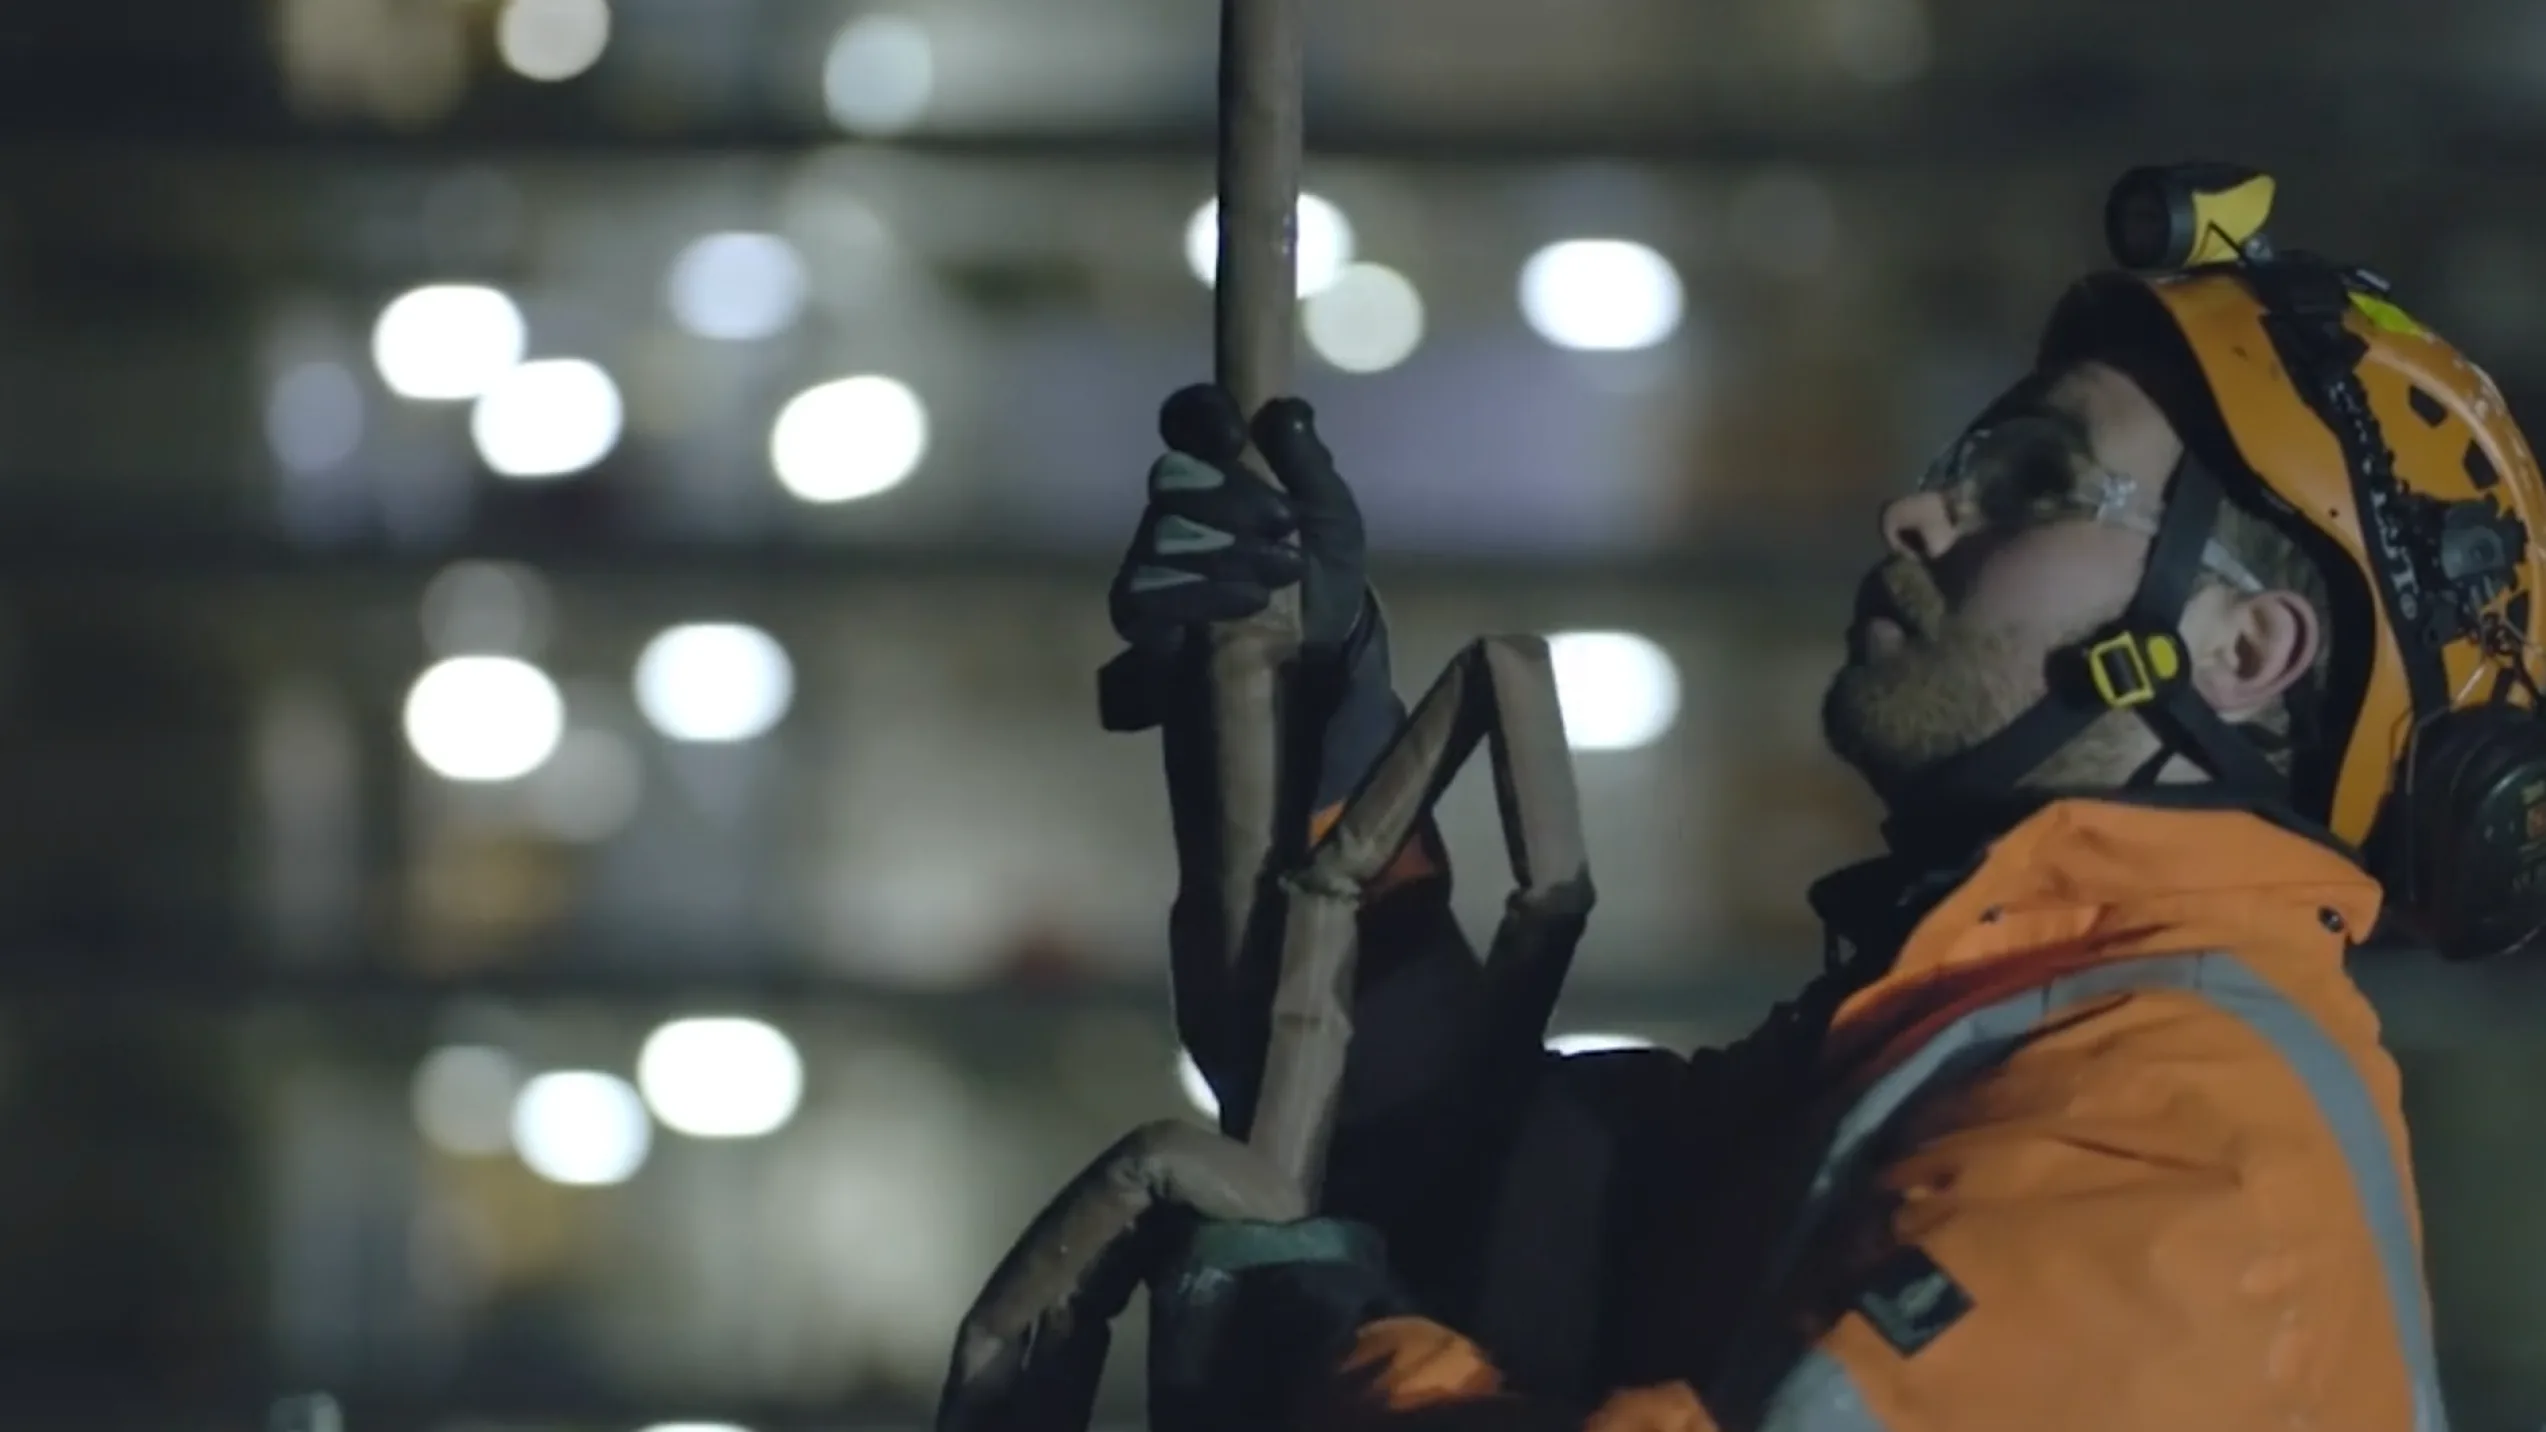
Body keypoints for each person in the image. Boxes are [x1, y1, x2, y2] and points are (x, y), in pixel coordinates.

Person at [1096, 169, 2546, 1430]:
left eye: (2036, 479)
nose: (1916, 514)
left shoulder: (2176, 1141)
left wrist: (1321, 1364)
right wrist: (1295, 716)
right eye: (1963, 463)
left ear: (2241, 652)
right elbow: (1454, 1171)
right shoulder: (1959, 1049)